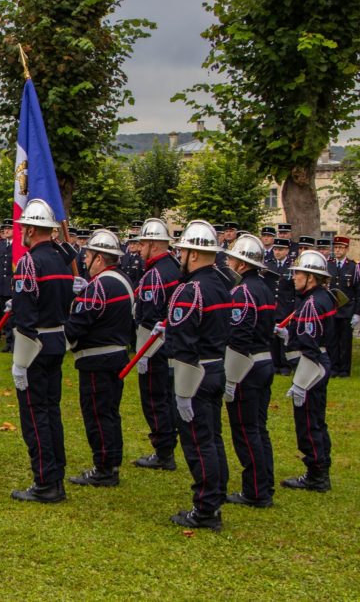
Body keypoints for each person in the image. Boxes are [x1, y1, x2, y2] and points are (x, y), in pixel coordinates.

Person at [164, 220, 231, 532]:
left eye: (182, 252)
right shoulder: (222, 284)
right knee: (213, 439)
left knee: (198, 442)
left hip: (196, 372)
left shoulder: (190, 289)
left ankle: (206, 508)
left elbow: (184, 344)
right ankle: (214, 498)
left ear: (192, 254)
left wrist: (183, 390)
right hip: (217, 365)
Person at [9, 200, 74, 503]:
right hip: (56, 341)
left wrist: (19, 362)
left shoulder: (30, 263)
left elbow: (25, 317)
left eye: (24, 228)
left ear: (32, 229)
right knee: (51, 412)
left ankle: (46, 481)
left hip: (34, 347)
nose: (21, 233)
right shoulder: (62, 261)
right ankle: (55, 476)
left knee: (35, 417)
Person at [65, 229, 134, 488]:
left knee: (97, 415)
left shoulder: (100, 285)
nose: (84, 260)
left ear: (100, 258)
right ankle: (111, 462)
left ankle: (104, 468)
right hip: (115, 355)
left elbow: (79, 323)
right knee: (109, 414)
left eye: (89, 255)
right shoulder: (123, 280)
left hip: (97, 360)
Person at [221, 234, 276, 507]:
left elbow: (239, 336)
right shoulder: (264, 287)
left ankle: (255, 490)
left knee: (245, 430)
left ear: (242, 264)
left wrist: (231, 376)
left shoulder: (242, 292)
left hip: (247, 364)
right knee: (258, 428)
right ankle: (265, 482)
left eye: (232, 259)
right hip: (264, 360)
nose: (229, 263)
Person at [277, 250, 336, 492]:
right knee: (317, 421)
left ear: (311, 277)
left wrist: (301, 382)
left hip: (311, 368)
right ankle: (320, 468)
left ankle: (316, 474)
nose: (294, 277)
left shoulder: (312, 303)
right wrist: (289, 335)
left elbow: (310, 346)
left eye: (298, 273)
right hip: (317, 364)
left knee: (309, 423)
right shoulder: (320, 297)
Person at [132, 218, 181, 471]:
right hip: (171, 342)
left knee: (154, 398)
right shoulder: (174, 266)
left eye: (142, 244)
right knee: (166, 397)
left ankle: (163, 451)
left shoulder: (155, 274)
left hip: (154, 344)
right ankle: (166, 446)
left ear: (153, 244)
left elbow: (148, 315)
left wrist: (144, 350)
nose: (139, 250)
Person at [326, 237, 360, 378]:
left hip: (347, 310)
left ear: (346, 249)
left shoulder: (354, 266)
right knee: (332, 341)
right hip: (331, 309)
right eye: (335, 248)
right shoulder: (328, 265)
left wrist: (357, 313)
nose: (337, 250)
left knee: (345, 342)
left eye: (341, 248)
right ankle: (333, 367)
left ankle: (344, 369)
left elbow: (359, 292)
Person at [264, 238, 296, 375]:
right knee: (273, 337)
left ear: (287, 251)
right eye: (276, 249)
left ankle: (285, 365)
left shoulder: (292, 266)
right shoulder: (268, 265)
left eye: (280, 249)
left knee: (285, 338)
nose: (277, 252)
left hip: (286, 306)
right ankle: (275, 363)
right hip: (272, 306)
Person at [0, 219, 15, 351]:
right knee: (4, 315)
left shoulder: (18, 246)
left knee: (14, 316)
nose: (6, 231)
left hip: (12, 285)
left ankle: (15, 342)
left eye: (9, 228)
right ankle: (8, 341)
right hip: (1, 284)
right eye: (4, 229)